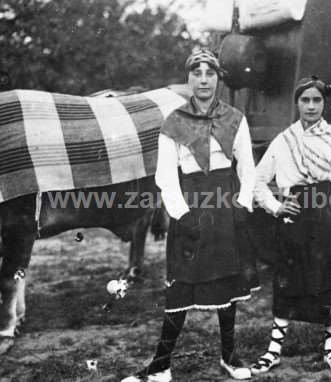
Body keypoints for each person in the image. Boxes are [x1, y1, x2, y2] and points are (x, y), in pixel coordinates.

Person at [122, 48, 258, 382]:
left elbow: (248, 167)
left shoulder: (235, 119)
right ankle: (161, 364)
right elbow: (165, 176)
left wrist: (242, 203)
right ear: (188, 79)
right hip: (191, 209)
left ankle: (229, 355)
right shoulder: (174, 123)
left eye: (209, 73)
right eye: (196, 73)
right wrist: (183, 215)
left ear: (218, 79)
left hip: (226, 206)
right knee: (181, 287)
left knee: (227, 282)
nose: (203, 80)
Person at [251, 76, 331, 375]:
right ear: (297, 103)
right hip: (296, 217)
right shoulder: (284, 140)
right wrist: (276, 206)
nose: (311, 106)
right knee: (289, 277)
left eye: (317, 100)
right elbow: (258, 182)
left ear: (324, 103)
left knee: (330, 279)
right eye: (306, 100)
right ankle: (274, 349)